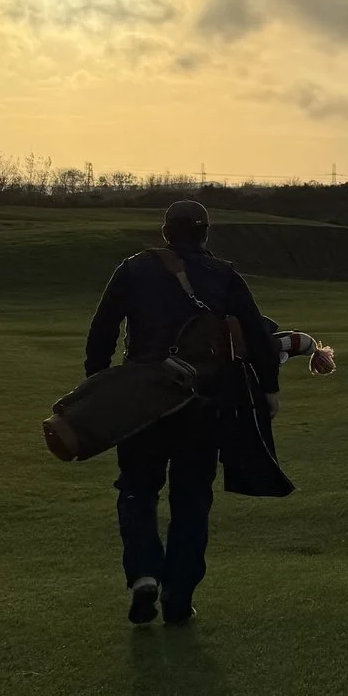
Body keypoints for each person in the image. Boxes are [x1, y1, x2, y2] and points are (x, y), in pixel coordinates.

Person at [83, 199, 286, 626]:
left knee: (137, 490)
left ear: (165, 231)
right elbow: (254, 334)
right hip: (202, 402)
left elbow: (102, 331)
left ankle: (143, 576)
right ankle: (180, 594)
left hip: (140, 399)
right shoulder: (224, 275)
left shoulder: (132, 269)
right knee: (192, 499)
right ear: (205, 233)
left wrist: (97, 385)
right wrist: (269, 390)